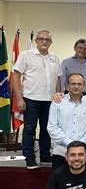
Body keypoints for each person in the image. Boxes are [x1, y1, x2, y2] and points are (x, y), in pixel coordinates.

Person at [13, 29, 62, 169]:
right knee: (29, 129)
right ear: (36, 41)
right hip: (30, 99)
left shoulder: (55, 58)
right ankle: (29, 157)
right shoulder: (25, 55)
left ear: (51, 42)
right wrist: (19, 99)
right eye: (41, 39)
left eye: (47, 39)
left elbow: (58, 78)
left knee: (47, 129)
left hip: (50, 100)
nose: (44, 41)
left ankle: (46, 155)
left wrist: (59, 95)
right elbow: (16, 76)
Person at [47, 73, 86, 171]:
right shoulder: (57, 103)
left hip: (84, 155)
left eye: (79, 84)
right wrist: (70, 144)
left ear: (84, 85)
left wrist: (80, 147)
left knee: (83, 185)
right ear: (67, 86)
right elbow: (52, 127)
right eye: (73, 84)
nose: (76, 86)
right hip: (61, 153)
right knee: (60, 184)